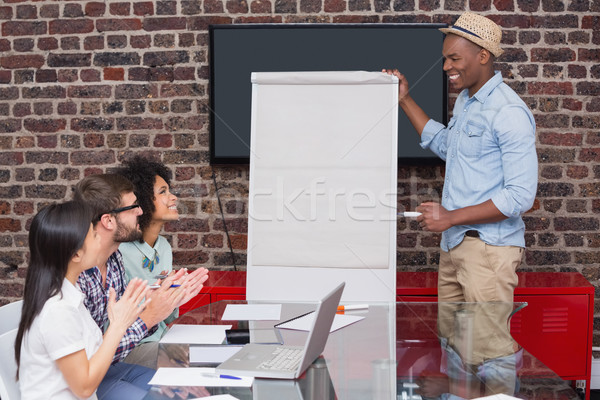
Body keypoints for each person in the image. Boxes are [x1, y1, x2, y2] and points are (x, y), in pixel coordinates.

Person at [384, 12, 538, 304]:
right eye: (445, 59)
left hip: (488, 253)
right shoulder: (467, 102)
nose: (446, 67)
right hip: (455, 245)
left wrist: (451, 216)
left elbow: (519, 197)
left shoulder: (508, 113)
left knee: (486, 347)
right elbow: (447, 145)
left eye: (454, 58)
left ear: (482, 56)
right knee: (452, 345)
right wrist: (404, 98)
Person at [73, 174, 209, 388]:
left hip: (116, 362)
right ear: (108, 220)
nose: (141, 211)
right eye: (133, 206)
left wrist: (166, 301)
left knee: (210, 359)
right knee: (199, 366)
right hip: (98, 374)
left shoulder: (114, 258)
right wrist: (149, 316)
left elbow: (120, 331)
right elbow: (94, 356)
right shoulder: (79, 274)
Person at [15, 201, 151, 399]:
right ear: (76, 254)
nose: (101, 240)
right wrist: (118, 326)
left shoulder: (70, 295)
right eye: (95, 235)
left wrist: (118, 320)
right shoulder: (58, 311)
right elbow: (85, 387)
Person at [115, 156, 190, 366]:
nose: (173, 197)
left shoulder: (164, 248)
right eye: (163, 192)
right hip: (131, 348)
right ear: (142, 201)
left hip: (162, 339)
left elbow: (166, 317)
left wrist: (175, 297)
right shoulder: (118, 252)